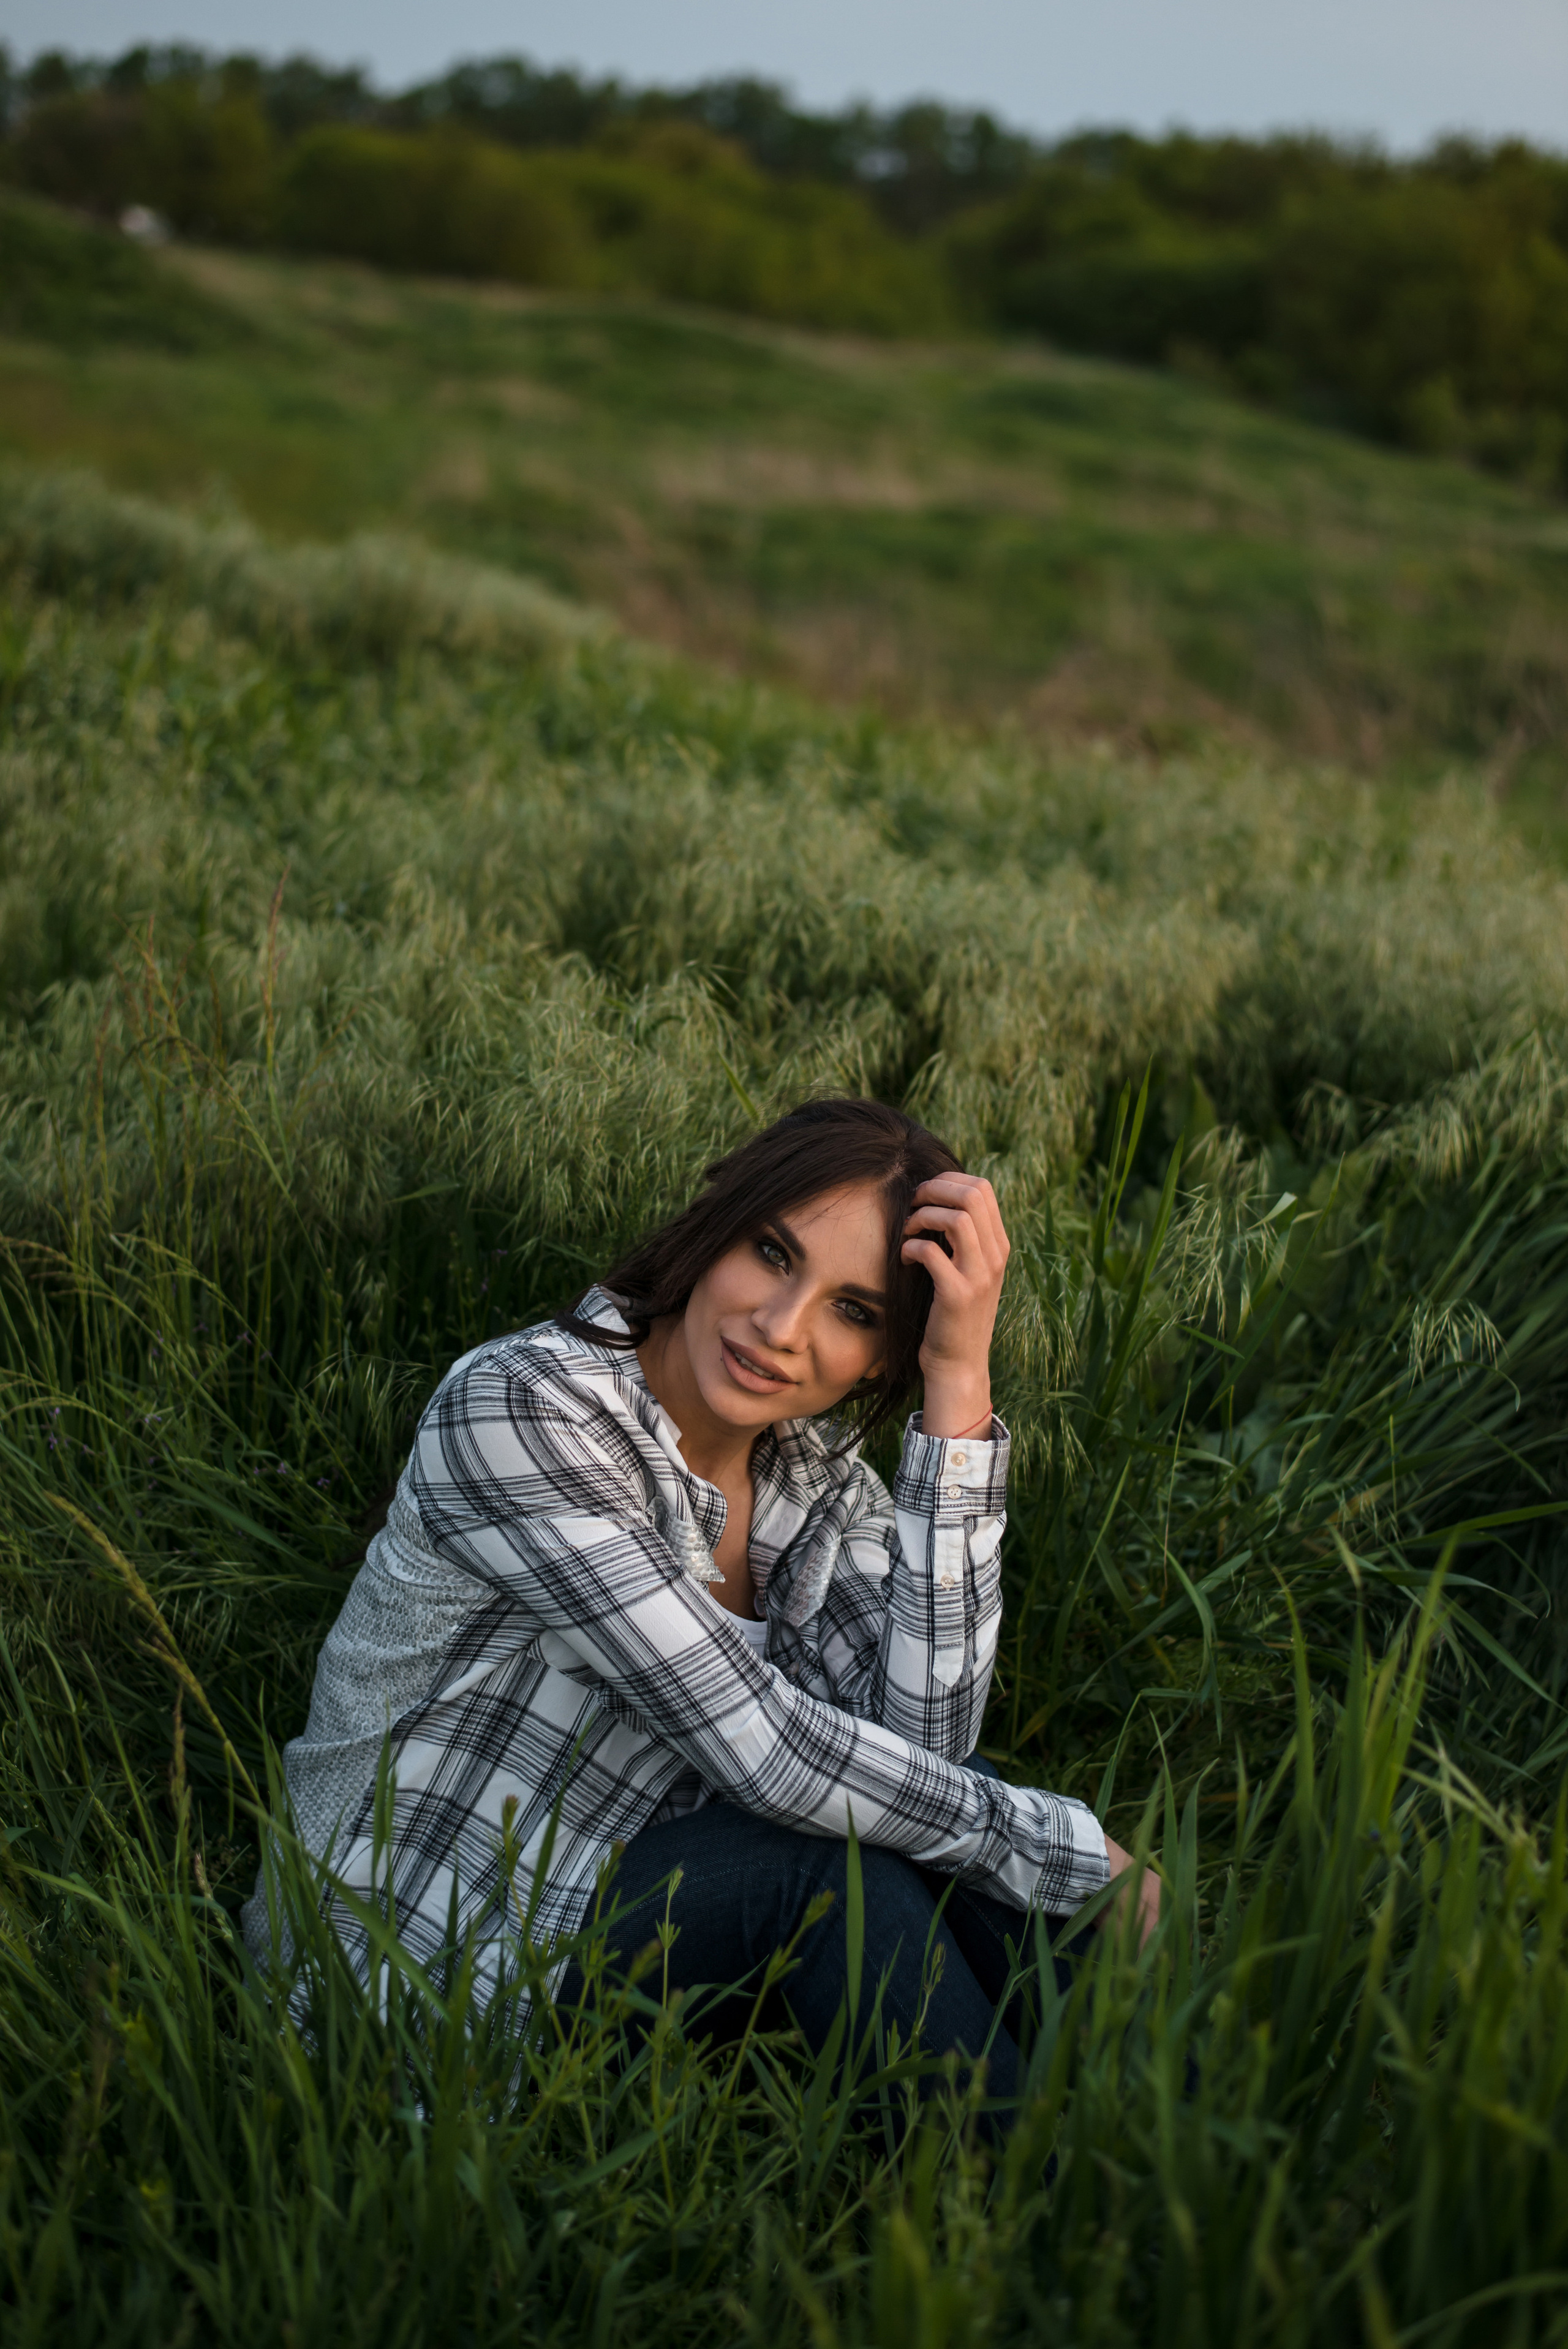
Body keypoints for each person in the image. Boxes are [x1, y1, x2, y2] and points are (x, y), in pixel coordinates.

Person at [244, 1097, 1158, 2111]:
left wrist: (958, 1375)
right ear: (713, 1228)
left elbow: (926, 1755)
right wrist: (1063, 1851)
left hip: (596, 1918)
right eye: (771, 1254)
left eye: (854, 1313)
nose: (781, 1329)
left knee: (930, 1811)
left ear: (882, 1359)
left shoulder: (822, 1493)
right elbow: (764, 1750)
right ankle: (1016, 2223)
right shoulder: (524, 1407)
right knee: (826, 1873)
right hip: (400, 1976)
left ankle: (1156, 2152)